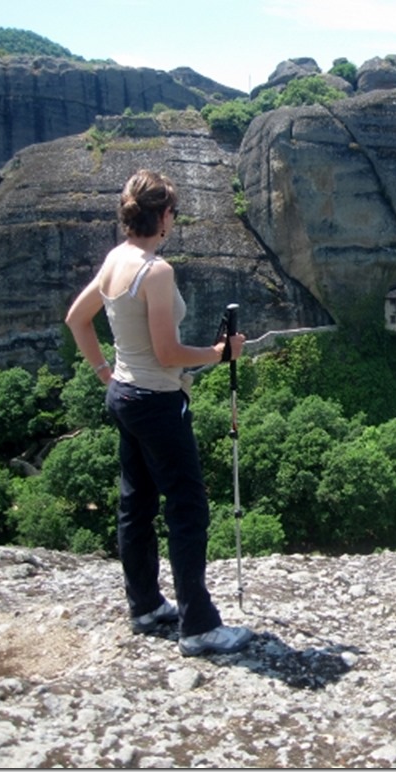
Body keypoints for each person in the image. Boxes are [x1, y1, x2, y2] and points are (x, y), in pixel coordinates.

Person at [65, 169, 253, 657]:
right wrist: (221, 353)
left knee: (138, 505)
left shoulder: (115, 260)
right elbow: (169, 353)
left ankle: (145, 606)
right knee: (188, 509)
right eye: (173, 211)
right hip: (158, 401)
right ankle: (198, 627)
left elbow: (76, 319)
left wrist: (106, 373)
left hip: (125, 396)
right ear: (164, 215)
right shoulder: (156, 271)